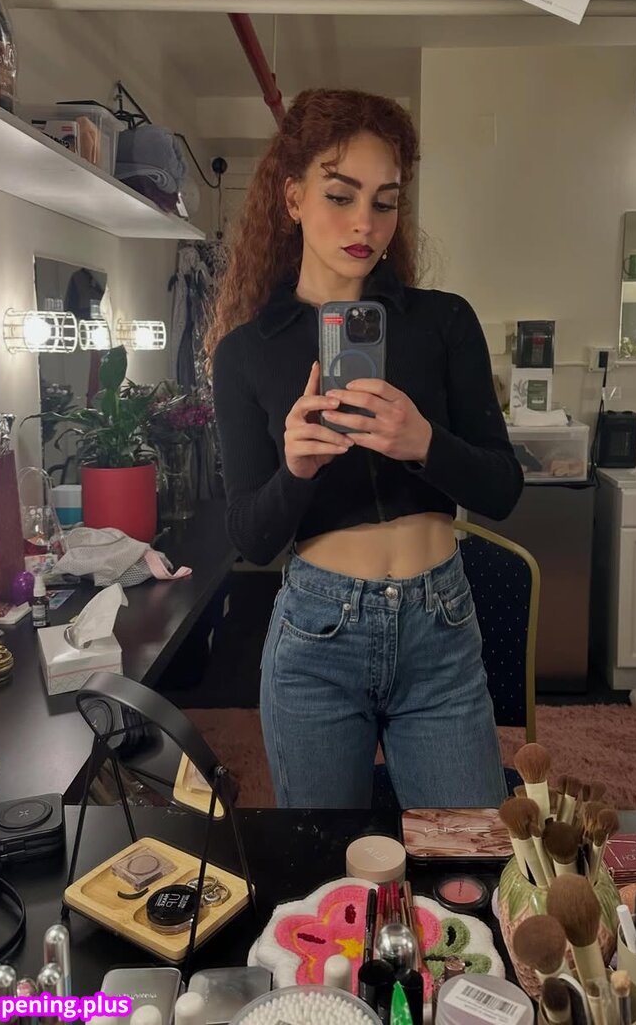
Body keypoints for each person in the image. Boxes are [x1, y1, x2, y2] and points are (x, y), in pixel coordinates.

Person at [207, 89, 524, 809]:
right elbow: (251, 537)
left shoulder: (444, 322)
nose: (364, 223)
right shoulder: (246, 353)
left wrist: (424, 443)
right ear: (293, 197)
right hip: (317, 634)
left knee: (464, 854)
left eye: (385, 202)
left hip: (439, 624)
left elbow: (502, 488)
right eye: (340, 195)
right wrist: (295, 471)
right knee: (325, 863)